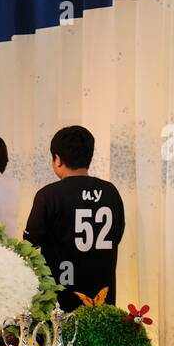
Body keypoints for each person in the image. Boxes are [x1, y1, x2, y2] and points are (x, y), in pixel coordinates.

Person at [23, 125, 125, 313]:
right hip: (103, 298)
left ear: (57, 159)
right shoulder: (111, 192)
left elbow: (29, 243)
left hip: (62, 298)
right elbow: (116, 236)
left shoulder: (48, 195)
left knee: (61, 340)